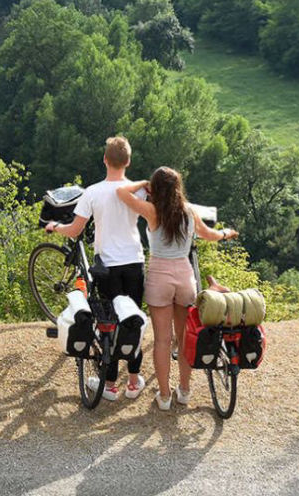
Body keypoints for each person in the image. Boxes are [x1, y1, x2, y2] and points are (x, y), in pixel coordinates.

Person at [115, 167, 238, 411]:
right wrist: (226, 234)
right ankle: (184, 391)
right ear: (178, 188)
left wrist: (141, 183)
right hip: (184, 277)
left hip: (159, 277)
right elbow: (209, 234)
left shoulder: (152, 211)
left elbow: (121, 192)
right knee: (183, 339)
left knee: (162, 340)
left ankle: (164, 396)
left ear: (156, 188)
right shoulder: (189, 212)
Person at [43, 136, 152, 401]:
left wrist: (54, 227)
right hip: (135, 263)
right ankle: (134, 380)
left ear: (105, 159)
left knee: (110, 324)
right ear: (128, 161)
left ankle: (111, 385)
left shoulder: (92, 192)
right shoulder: (138, 190)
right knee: (132, 321)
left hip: (108, 268)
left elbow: (75, 230)